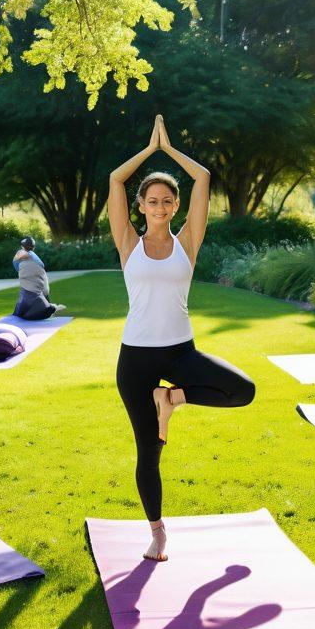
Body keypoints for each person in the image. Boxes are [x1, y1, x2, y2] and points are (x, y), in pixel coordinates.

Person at [108, 115, 255, 562]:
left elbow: (204, 177)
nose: (161, 207)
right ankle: (157, 533)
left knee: (243, 390)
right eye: (152, 201)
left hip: (180, 352)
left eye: (168, 201)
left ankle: (173, 400)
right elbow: (115, 178)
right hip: (136, 360)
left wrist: (169, 150)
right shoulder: (128, 242)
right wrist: (149, 149)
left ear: (175, 206)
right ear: (141, 206)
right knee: (148, 452)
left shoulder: (188, 241)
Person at [12, 237, 66, 320]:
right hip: (32, 288)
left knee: (43, 297)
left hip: (34, 286)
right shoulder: (28, 256)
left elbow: (24, 255)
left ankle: (52, 308)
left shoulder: (29, 255)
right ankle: (52, 308)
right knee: (42, 295)